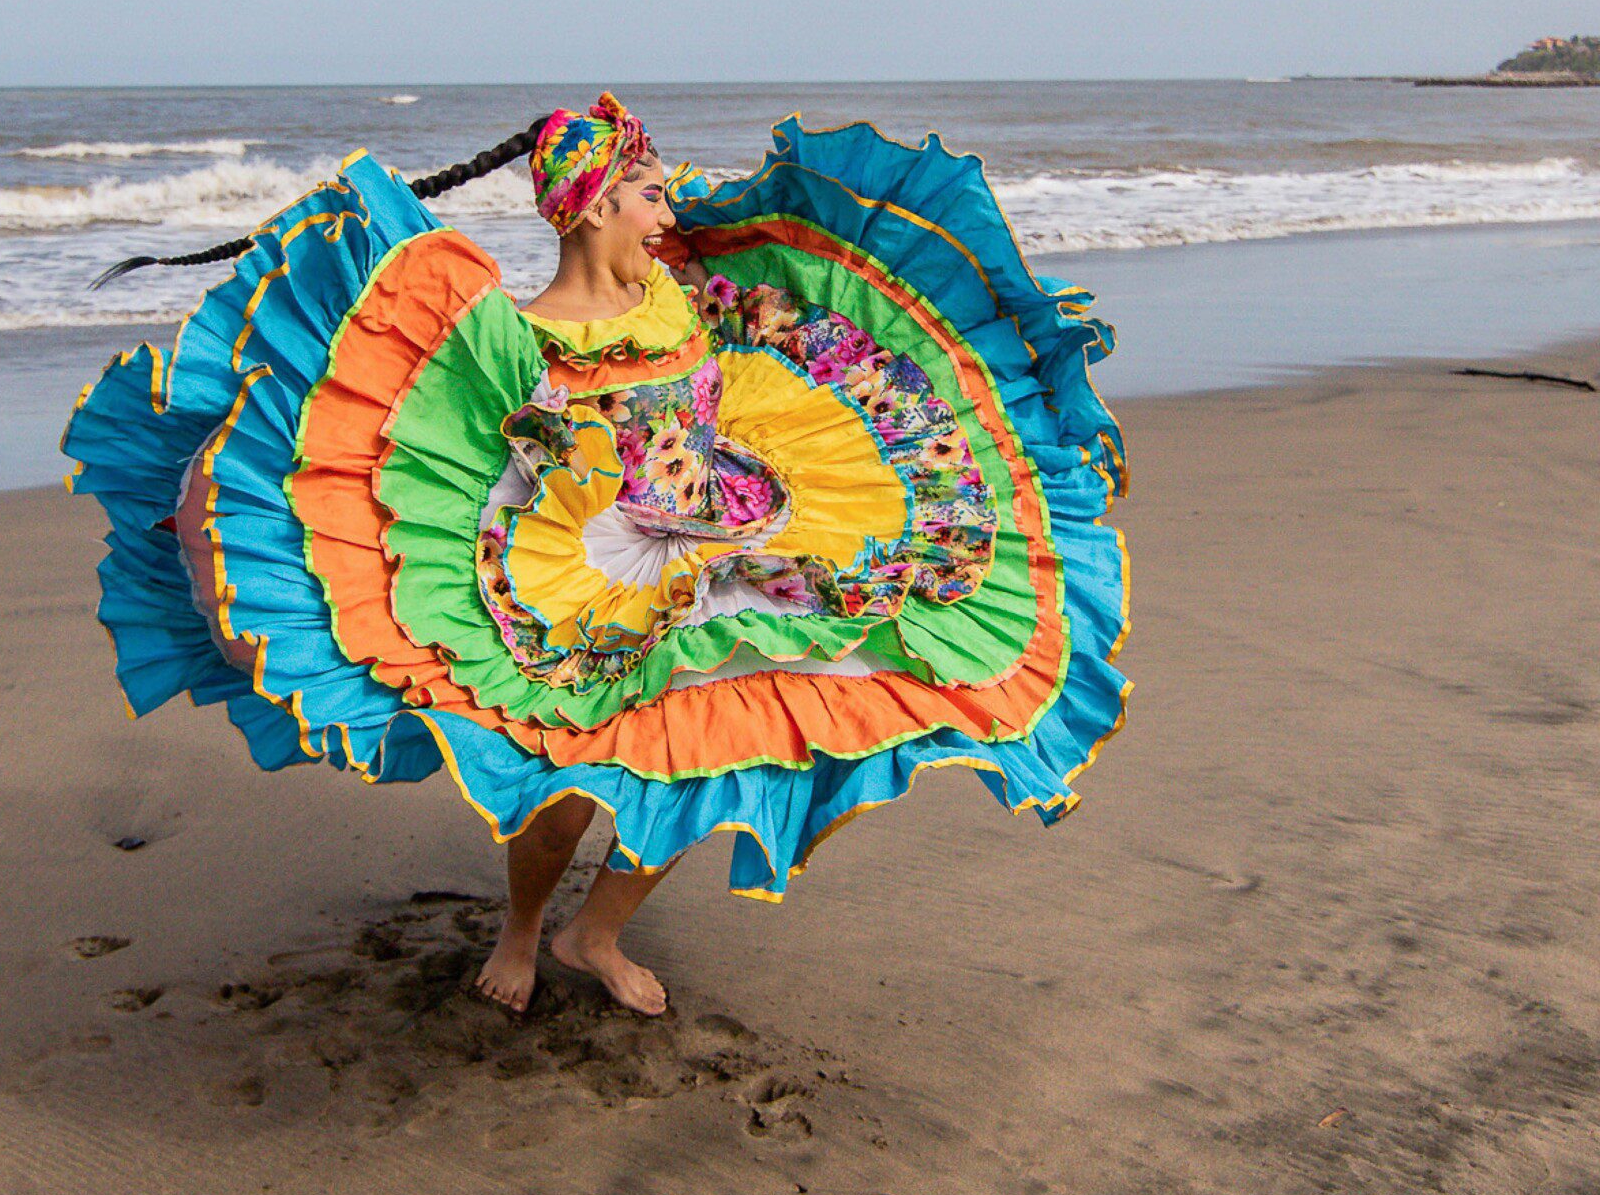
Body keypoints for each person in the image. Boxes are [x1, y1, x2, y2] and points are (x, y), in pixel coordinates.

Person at [64, 94, 1130, 1017]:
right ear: (591, 208)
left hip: (731, 528)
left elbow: (751, 309)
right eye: (649, 195)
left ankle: (596, 932)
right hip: (596, 569)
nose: (667, 212)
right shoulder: (531, 341)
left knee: (717, 749)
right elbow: (469, 440)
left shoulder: (671, 288)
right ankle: (524, 928)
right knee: (569, 785)